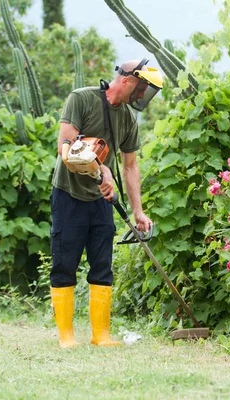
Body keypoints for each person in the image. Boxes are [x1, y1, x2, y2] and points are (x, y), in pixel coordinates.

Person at [49, 59, 163, 348]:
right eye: (141, 89)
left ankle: (101, 335)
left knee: (102, 266)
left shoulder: (127, 119)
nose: (141, 96)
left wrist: (138, 211)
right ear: (126, 80)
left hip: (101, 200)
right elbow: (67, 147)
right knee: (65, 263)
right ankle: (67, 337)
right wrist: (104, 170)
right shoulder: (81, 99)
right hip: (69, 196)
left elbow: (131, 165)